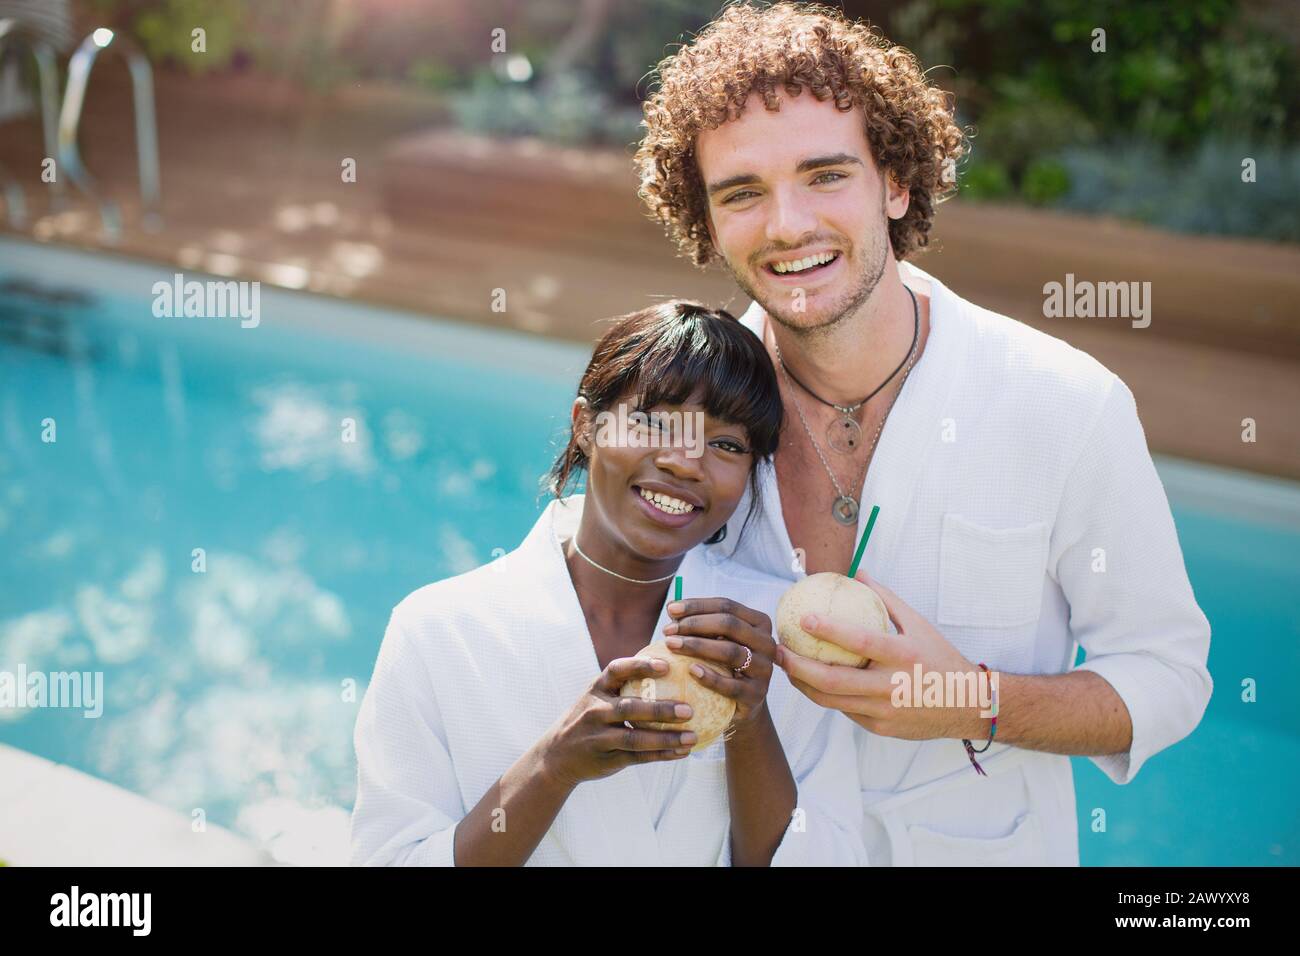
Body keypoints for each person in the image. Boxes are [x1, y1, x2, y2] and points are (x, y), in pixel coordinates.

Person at [635, 2, 1212, 865]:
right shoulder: (675, 408)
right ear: (706, 218)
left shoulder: (1066, 405)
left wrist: (971, 702)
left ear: (896, 183)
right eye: (743, 193)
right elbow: (581, 591)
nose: (787, 224)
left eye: (826, 175)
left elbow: (1168, 678)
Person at [350, 300, 865, 866]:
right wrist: (552, 767)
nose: (685, 462)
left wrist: (750, 722)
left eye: (726, 445)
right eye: (656, 423)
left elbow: (831, 855)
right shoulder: (439, 631)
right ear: (586, 426)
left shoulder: (775, 641)